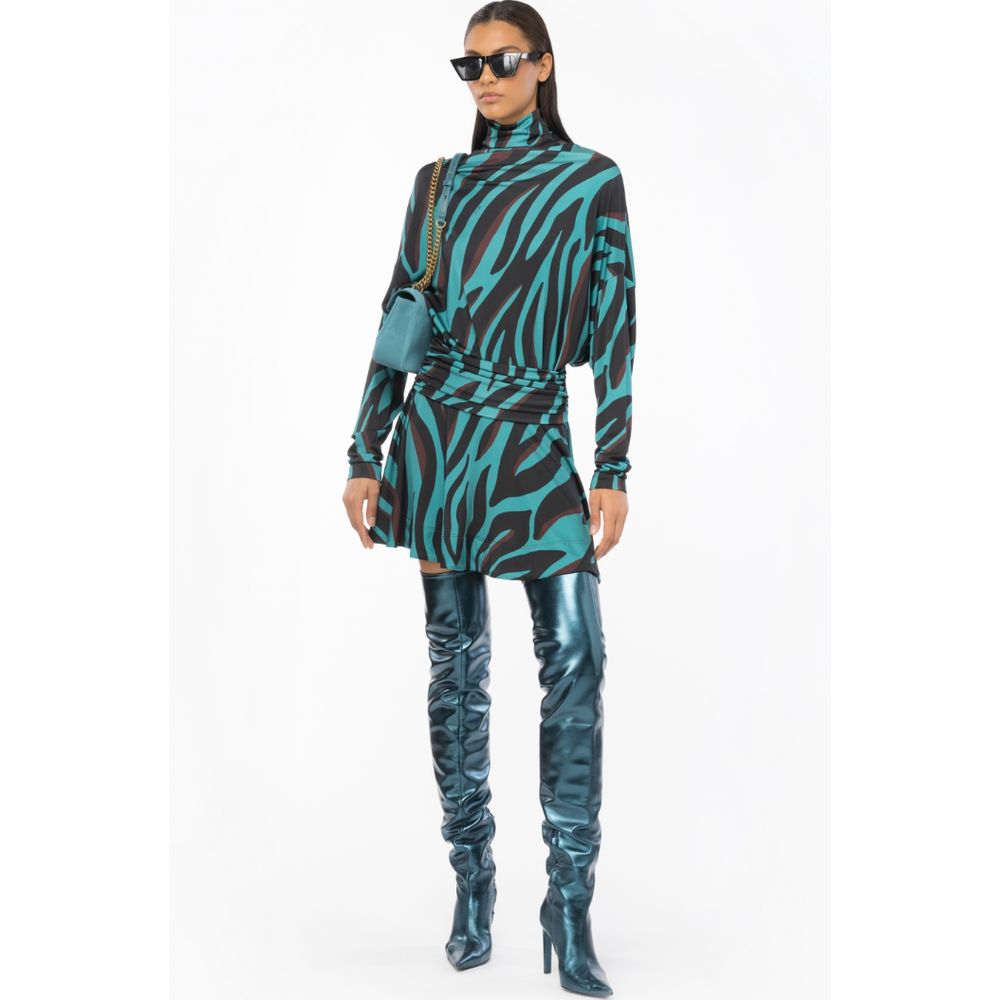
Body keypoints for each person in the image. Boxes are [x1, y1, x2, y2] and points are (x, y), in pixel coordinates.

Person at [342, 4, 635, 996]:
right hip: (439, 444)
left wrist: (613, 465)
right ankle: (473, 884)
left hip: (535, 438)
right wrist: (364, 449)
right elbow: (399, 320)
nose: (484, 78)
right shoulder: (439, 185)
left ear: (542, 65)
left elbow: (618, 327)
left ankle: (569, 907)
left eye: (501, 60)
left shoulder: (591, 180)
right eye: (467, 65)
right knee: (456, 670)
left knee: (577, 659)